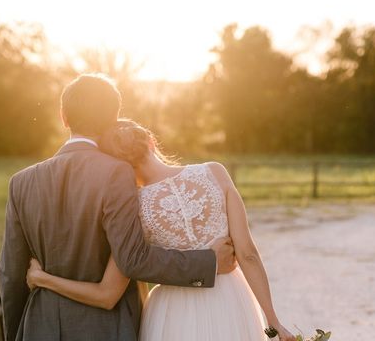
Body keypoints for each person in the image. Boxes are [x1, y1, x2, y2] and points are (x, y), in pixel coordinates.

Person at [0, 74, 236, 341]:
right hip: (105, 329)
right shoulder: (116, 173)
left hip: (40, 328)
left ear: (64, 117)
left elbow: (11, 275)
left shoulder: (20, 182)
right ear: (113, 117)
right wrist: (207, 262)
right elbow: (132, 259)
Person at [25, 118, 296, 341]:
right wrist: (274, 323)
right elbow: (247, 254)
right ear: (152, 142)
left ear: (117, 166)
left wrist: (43, 279)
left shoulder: (134, 209)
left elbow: (107, 293)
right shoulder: (215, 172)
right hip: (230, 301)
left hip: (172, 315)